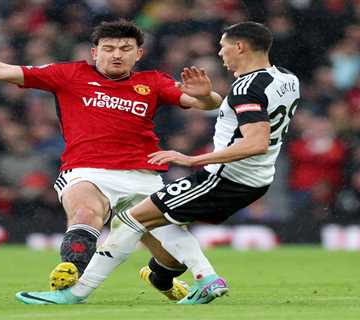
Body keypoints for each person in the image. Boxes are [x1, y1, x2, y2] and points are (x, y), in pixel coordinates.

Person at [0, 20, 223, 301]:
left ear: (138, 54)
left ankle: (160, 277)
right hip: (87, 170)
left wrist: (206, 94)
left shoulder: (152, 83)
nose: (116, 54)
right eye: (108, 48)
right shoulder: (69, 75)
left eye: (124, 49)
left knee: (173, 258)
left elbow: (205, 103)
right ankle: (72, 267)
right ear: (95, 52)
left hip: (144, 175)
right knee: (86, 211)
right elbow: (0, 70)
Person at [15, 21, 300, 305]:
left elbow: (255, 142)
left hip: (223, 178)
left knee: (131, 219)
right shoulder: (286, 79)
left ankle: (77, 293)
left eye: (223, 46)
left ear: (239, 47)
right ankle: (179, 278)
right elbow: (223, 110)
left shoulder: (243, 89)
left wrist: (192, 159)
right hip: (257, 179)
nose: (220, 53)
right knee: (161, 220)